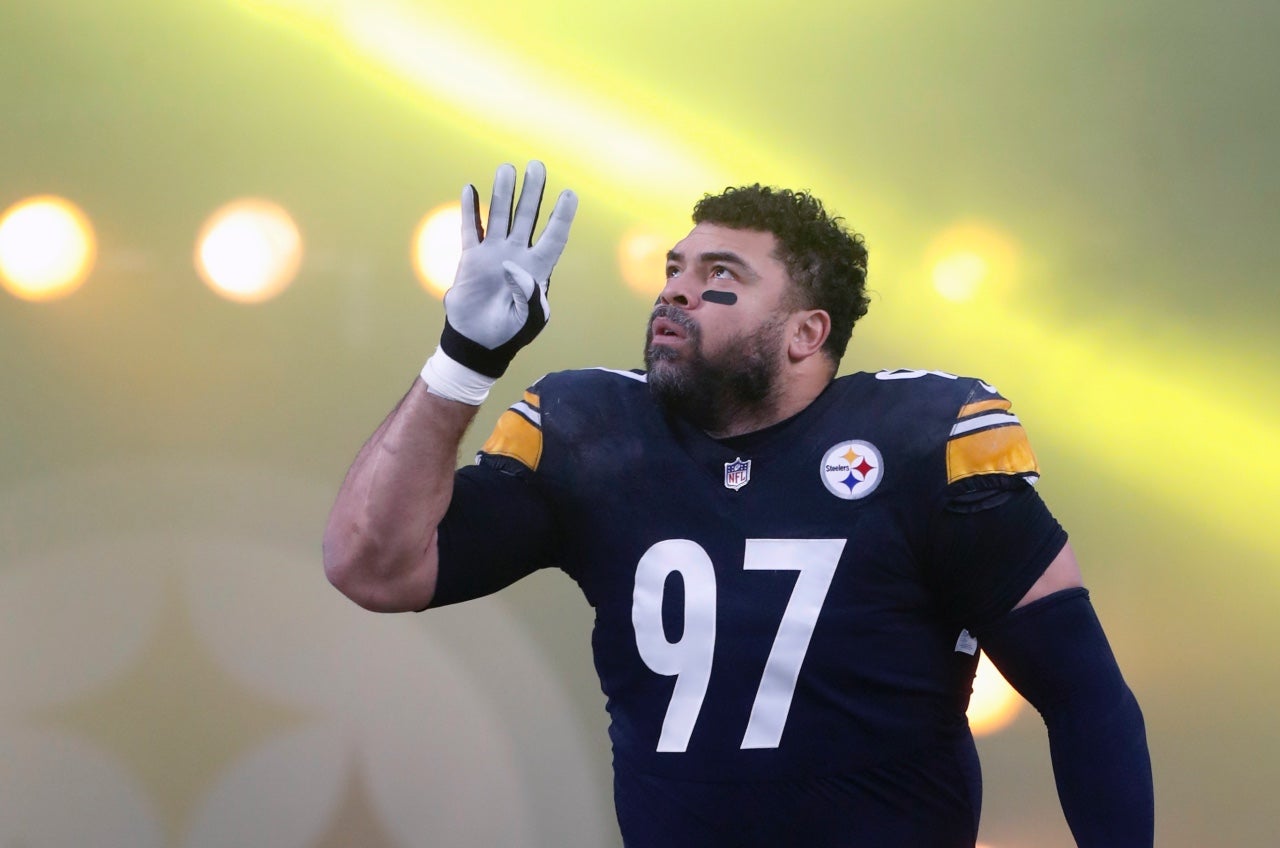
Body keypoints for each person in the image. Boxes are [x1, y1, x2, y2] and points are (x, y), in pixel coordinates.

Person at [323, 160, 1154, 847]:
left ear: (805, 333)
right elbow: (371, 565)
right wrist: (463, 359)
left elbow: (1085, 697)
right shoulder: (596, 435)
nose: (677, 291)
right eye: (674, 269)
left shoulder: (919, 441)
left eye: (720, 274)